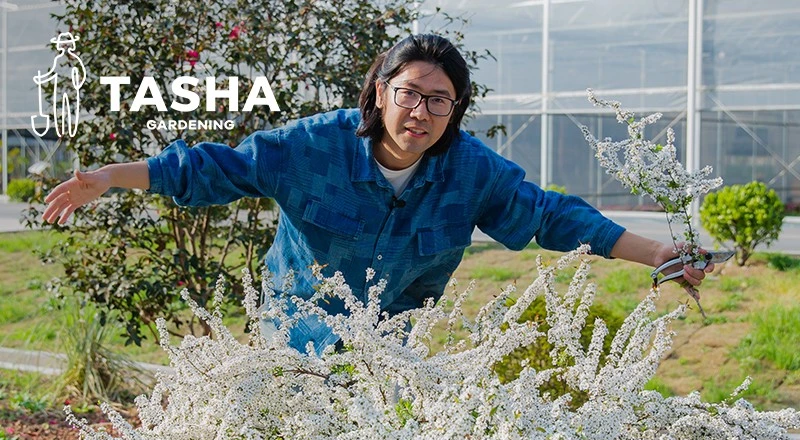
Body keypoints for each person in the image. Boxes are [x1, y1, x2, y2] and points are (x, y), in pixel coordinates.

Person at [43, 33, 711, 355]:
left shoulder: (471, 172)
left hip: (391, 345)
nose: (421, 112)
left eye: (440, 101)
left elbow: (550, 216)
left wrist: (659, 253)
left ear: (455, 112)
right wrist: (109, 177)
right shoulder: (310, 148)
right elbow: (208, 169)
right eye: (409, 93)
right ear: (379, 92)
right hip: (294, 338)